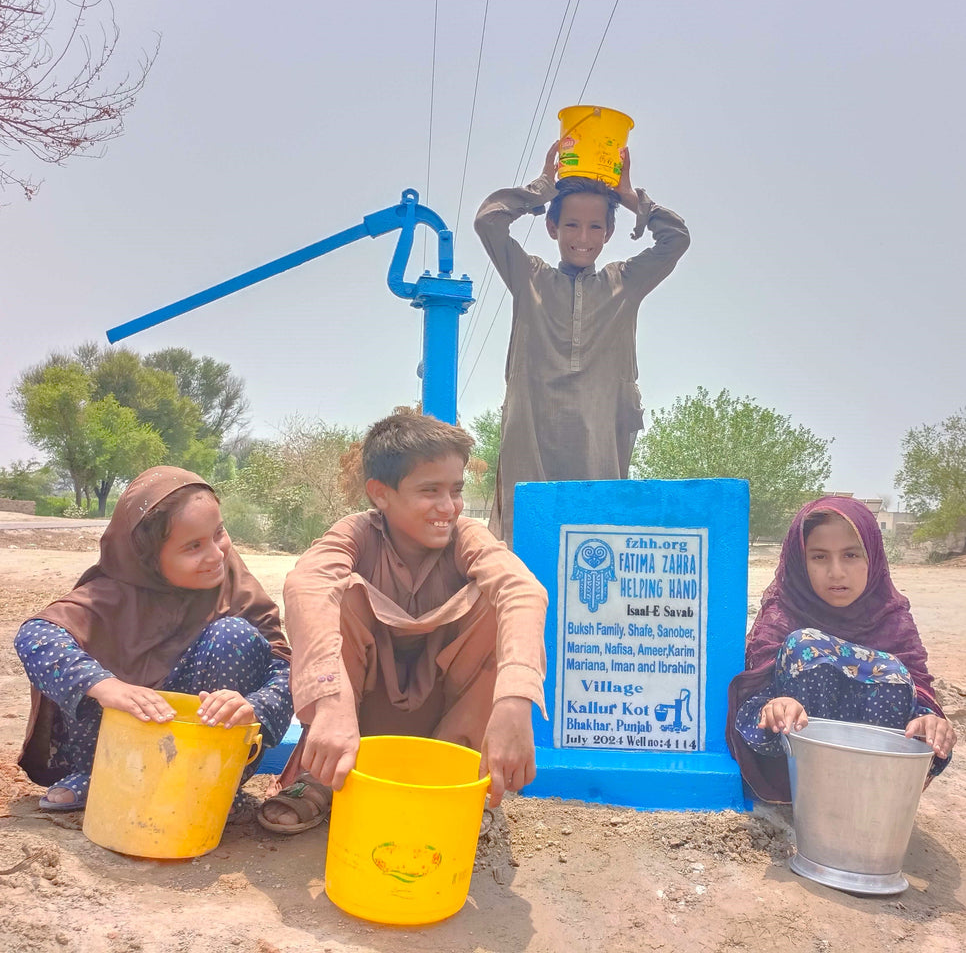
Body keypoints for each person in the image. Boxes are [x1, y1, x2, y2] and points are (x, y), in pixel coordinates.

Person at [259, 412, 547, 833]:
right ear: (381, 494)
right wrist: (330, 701)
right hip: (356, 721)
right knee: (335, 595)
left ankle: (454, 778)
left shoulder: (467, 538)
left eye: (456, 491)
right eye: (429, 491)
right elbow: (307, 585)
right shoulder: (356, 535)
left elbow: (523, 590)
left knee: (495, 599)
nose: (448, 507)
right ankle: (323, 776)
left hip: (444, 721)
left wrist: (515, 700)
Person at [15, 466, 293, 812]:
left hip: (205, 755)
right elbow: (34, 636)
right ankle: (106, 777)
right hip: (114, 745)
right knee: (87, 681)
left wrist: (255, 704)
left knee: (234, 636)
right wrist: (105, 686)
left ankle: (200, 786)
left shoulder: (233, 584)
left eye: (218, 533)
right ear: (147, 558)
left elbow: (284, 667)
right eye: (193, 546)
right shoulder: (110, 593)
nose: (216, 555)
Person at [474, 141, 690, 547]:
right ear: (552, 228)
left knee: (596, 539)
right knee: (525, 542)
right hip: (532, 434)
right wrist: (541, 190)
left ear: (609, 233)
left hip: (600, 435)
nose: (583, 237)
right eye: (571, 224)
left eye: (595, 227)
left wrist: (630, 198)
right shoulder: (530, 278)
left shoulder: (624, 281)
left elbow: (676, 239)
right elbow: (489, 221)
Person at [727, 495, 957, 802]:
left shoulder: (893, 620)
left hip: (872, 784)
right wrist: (776, 707)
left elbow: (920, 692)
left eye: (851, 555)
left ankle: (869, 798)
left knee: (895, 674)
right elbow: (752, 698)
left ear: (872, 556)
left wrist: (930, 722)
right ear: (800, 560)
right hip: (794, 773)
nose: (836, 572)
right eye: (819, 557)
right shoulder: (781, 615)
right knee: (804, 644)